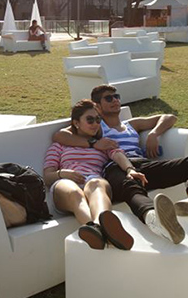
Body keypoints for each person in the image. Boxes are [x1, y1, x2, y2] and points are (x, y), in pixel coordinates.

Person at [53, 85, 188, 245]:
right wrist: (93, 144)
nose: (115, 100)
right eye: (109, 98)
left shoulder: (131, 124)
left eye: (117, 96)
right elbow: (60, 136)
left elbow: (169, 117)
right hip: (115, 167)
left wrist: (154, 134)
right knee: (130, 185)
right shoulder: (97, 127)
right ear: (97, 106)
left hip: (144, 165)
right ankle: (153, 218)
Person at [43, 99, 147, 250]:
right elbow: (47, 176)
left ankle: (97, 229)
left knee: (96, 184)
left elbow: (118, 155)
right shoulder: (60, 145)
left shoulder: (103, 144)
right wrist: (62, 173)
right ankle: (103, 230)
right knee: (73, 191)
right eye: (90, 119)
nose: (95, 123)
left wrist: (130, 169)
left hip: (93, 179)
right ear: (76, 123)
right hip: (64, 184)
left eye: (98, 119)